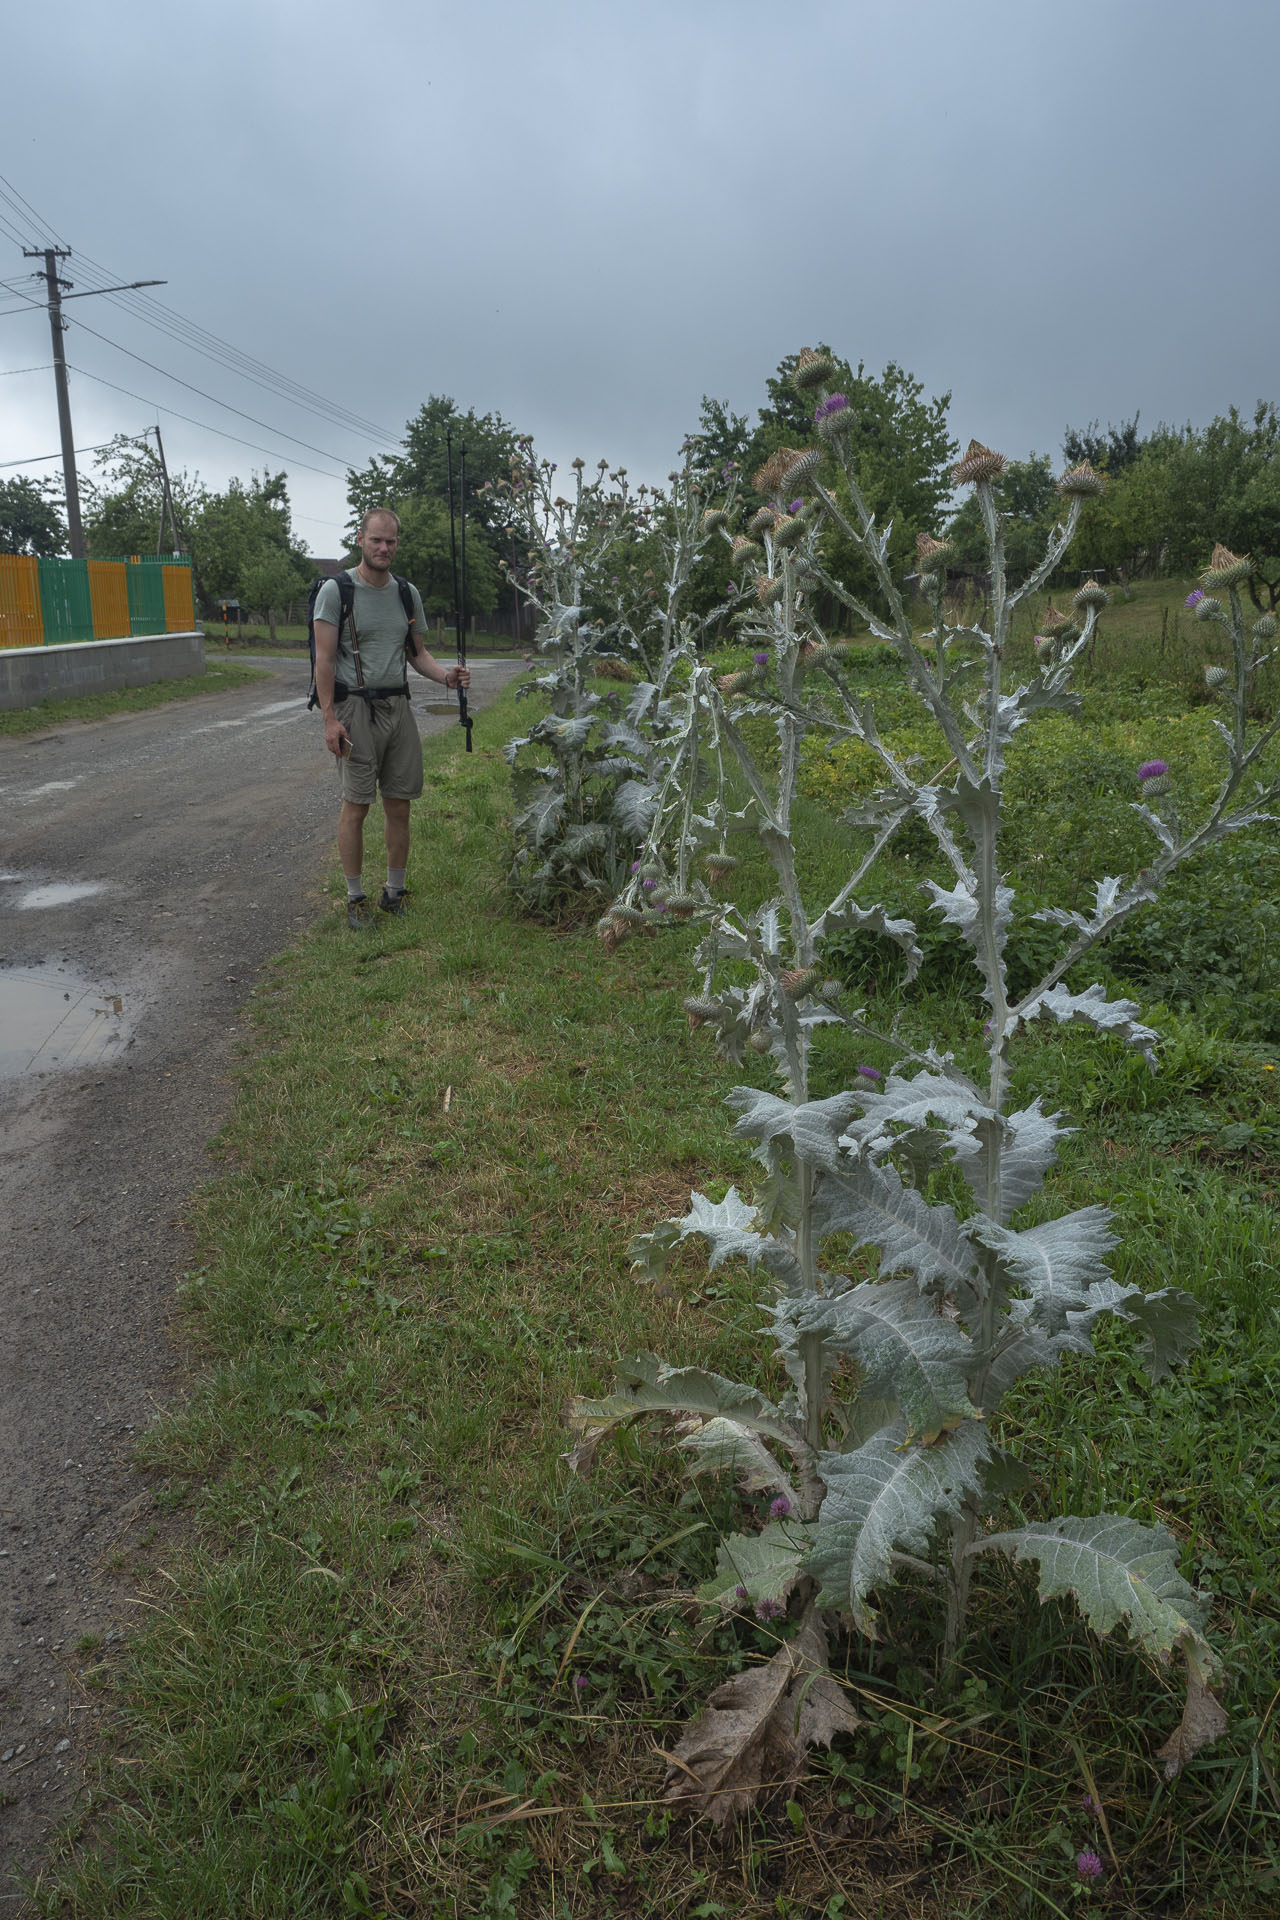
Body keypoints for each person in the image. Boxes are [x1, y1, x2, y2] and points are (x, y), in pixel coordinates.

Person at [313, 507, 470, 927]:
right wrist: (329, 719)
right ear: (360, 538)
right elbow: (324, 661)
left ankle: (394, 894)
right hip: (354, 708)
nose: (384, 548)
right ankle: (355, 898)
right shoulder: (337, 590)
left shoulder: (406, 592)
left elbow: (417, 654)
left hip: (397, 707)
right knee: (356, 806)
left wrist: (445, 677)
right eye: (377, 540)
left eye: (391, 542)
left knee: (400, 805)